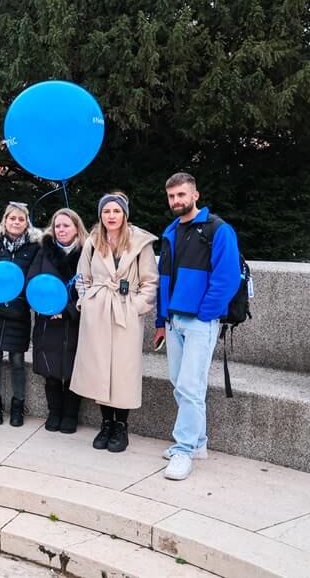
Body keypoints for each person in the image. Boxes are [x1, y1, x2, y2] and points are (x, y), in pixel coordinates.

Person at [154, 173, 241, 480]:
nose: (176, 200)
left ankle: (184, 449)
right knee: (181, 385)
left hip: (199, 322)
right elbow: (163, 281)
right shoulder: (170, 231)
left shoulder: (218, 229)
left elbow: (227, 277)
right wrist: (160, 321)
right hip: (174, 321)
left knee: (191, 387)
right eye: (172, 196)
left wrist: (205, 314)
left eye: (181, 195)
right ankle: (199, 443)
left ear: (195, 195)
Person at [72, 192, 159, 454]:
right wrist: (86, 303)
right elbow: (82, 277)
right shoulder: (92, 241)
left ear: (124, 214)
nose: (111, 216)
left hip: (125, 313)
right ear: (100, 214)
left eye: (116, 211)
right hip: (98, 311)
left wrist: (135, 308)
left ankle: (121, 425)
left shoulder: (141, 242)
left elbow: (150, 282)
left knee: (123, 372)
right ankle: (106, 422)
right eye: (106, 211)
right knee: (100, 369)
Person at [0, 202, 41, 426]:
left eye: (21, 219)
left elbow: (33, 276)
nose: (16, 222)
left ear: (26, 223)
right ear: (5, 220)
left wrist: (23, 296)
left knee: (17, 360)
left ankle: (18, 407)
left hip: (18, 310)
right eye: (12, 218)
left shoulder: (33, 247)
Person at [27, 208, 87, 434]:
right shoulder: (44, 252)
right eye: (57, 226)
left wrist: (69, 310)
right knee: (50, 371)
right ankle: (54, 412)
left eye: (66, 225)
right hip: (47, 321)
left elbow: (90, 287)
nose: (61, 230)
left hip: (74, 320)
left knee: (73, 371)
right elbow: (32, 281)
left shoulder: (86, 252)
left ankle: (70, 414)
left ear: (76, 228)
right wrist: (46, 306)